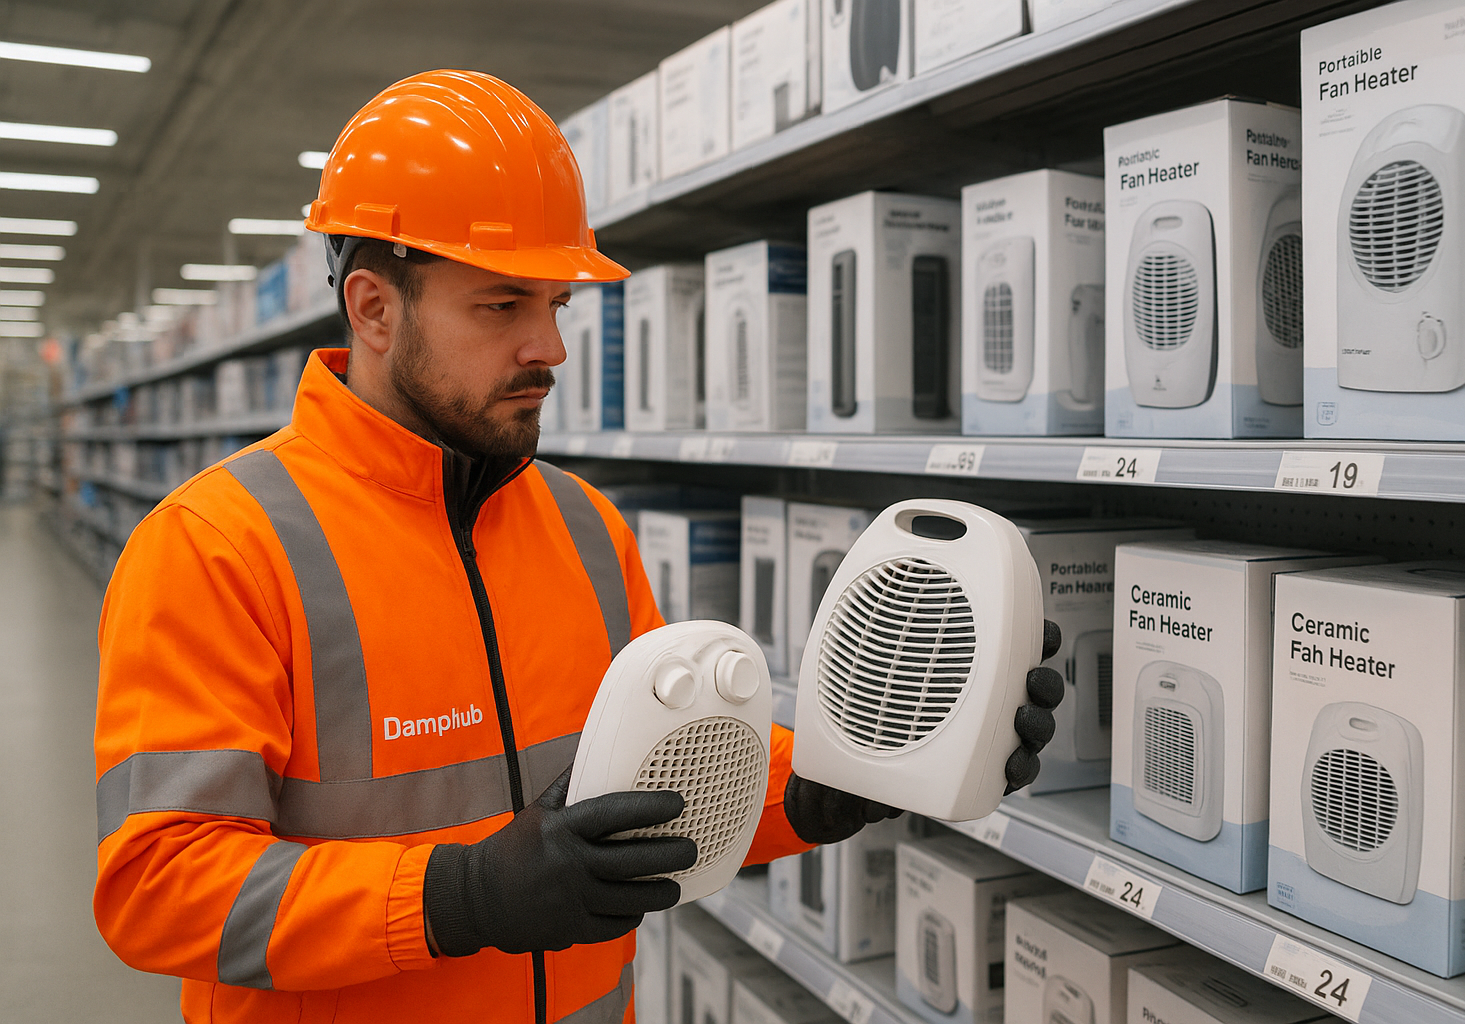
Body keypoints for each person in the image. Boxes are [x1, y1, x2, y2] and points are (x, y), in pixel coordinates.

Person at [92, 70, 1064, 1024]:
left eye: (555, 305)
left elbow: (671, 781)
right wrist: (456, 893)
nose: (550, 347)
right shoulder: (217, 545)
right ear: (374, 307)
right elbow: (156, 886)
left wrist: (830, 779)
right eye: (501, 304)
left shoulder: (586, 528)